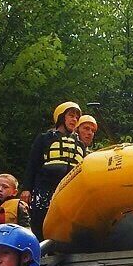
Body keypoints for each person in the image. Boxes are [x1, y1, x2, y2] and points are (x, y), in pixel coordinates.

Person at [23, 102, 88, 237]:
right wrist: (27, 188)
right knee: (40, 221)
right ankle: (40, 250)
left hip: (70, 189)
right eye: (71, 116)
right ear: (61, 117)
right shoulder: (45, 138)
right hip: (45, 187)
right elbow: (32, 164)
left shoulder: (80, 145)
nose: (74, 119)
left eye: (76, 117)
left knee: (69, 222)